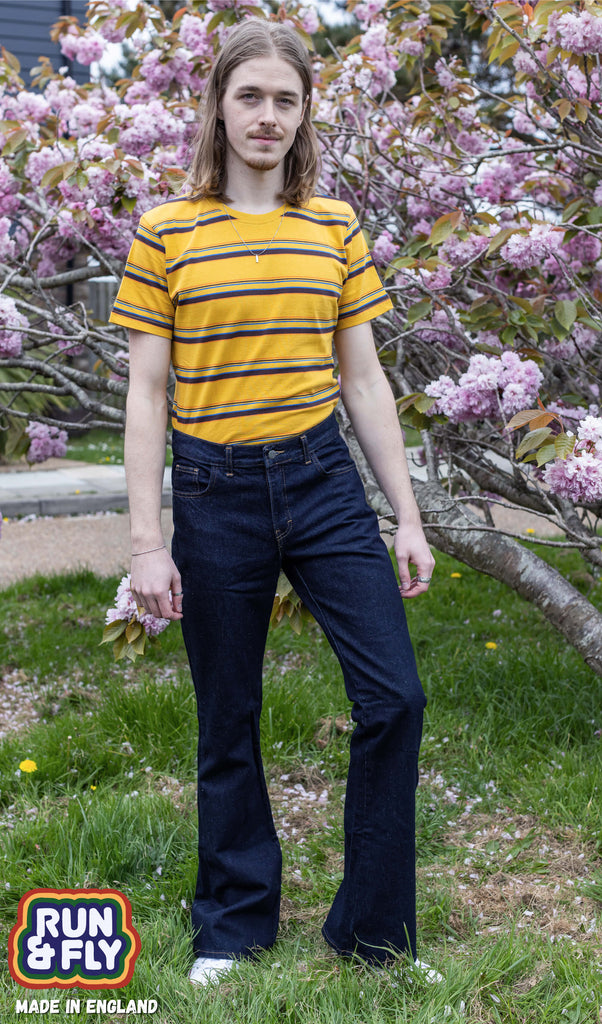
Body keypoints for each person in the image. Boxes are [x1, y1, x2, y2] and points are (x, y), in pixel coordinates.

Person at [110, 17, 436, 987]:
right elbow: (146, 393)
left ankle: (373, 934)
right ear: (217, 104)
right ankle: (233, 927)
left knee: (395, 697)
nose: (266, 116)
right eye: (248, 96)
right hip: (214, 493)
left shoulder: (333, 225)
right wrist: (145, 539)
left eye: (284, 101)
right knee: (227, 716)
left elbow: (366, 383)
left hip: (322, 483)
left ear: (303, 116)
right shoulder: (167, 230)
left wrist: (404, 514)